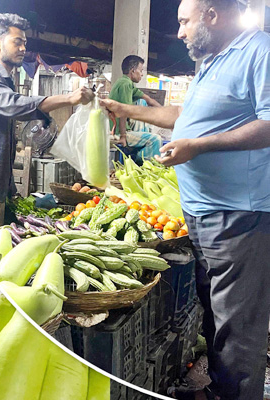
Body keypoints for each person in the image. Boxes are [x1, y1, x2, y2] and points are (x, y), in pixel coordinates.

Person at [100, 0, 270, 399]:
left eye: (184, 21)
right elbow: (183, 115)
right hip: (202, 212)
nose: (179, 32)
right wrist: (125, 109)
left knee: (237, 323)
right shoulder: (211, 62)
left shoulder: (259, 51)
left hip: (237, 213)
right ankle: (220, 390)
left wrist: (199, 146)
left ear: (212, 14)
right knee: (215, 315)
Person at [0, 14, 94, 234]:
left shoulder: (4, 79)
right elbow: (14, 105)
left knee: (2, 240)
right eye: (17, 42)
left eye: (25, 43)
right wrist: (68, 98)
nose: (23, 48)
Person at [109, 55, 163, 160]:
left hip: (124, 128)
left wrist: (166, 113)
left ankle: (139, 155)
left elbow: (149, 100)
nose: (142, 74)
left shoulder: (128, 83)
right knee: (156, 140)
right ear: (133, 71)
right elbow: (123, 111)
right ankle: (141, 164)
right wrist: (123, 136)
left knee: (142, 102)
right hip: (117, 132)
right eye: (141, 70)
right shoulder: (125, 84)